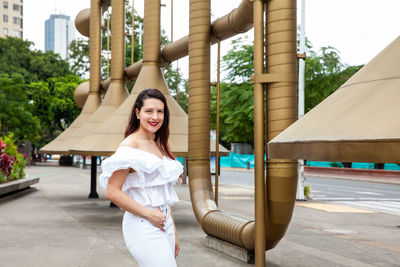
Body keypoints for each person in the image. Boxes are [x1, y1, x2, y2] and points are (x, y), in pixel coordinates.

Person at [99, 88, 183, 266]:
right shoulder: (130, 145)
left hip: (164, 223)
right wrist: (150, 215)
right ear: (137, 113)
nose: (155, 117)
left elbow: (164, 194)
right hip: (143, 223)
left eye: (160, 111)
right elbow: (112, 192)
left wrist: (173, 231)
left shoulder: (159, 144)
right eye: (149, 111)